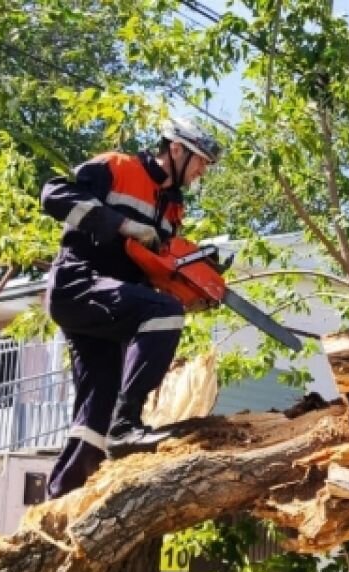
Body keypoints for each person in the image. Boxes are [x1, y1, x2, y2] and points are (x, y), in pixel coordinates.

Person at [39, 117, 221, 499]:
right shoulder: (117, 167)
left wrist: (193, 285)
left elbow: (155, 270)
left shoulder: (172, 210)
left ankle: (60, 500)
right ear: (176, 149)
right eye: (201, 160)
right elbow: (53, 195)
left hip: (114, 304)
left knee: (95, 414)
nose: (203, 170)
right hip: (78, 283)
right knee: (165, 312)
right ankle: (129, 424)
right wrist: (122, 224)